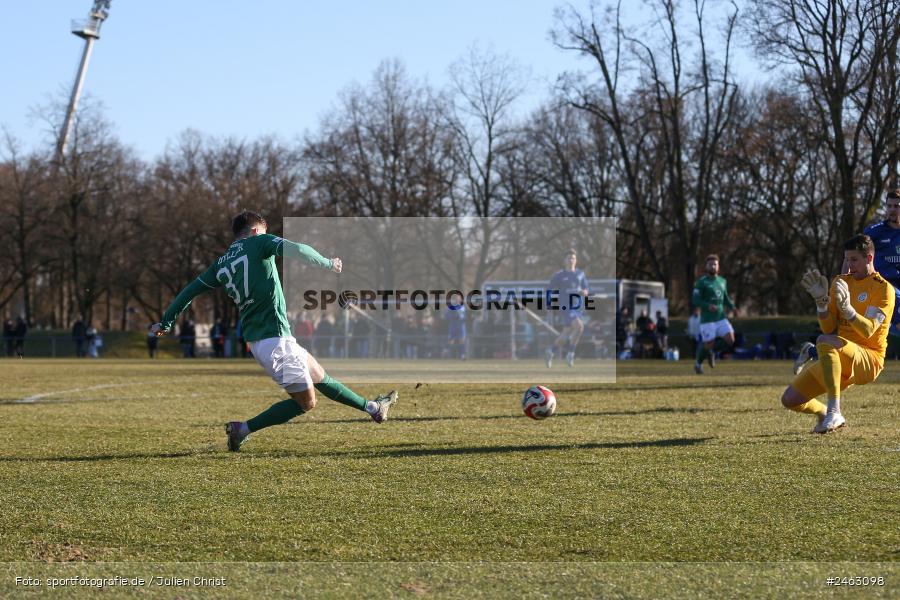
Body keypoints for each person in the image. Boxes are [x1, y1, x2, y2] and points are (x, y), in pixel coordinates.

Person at [151, 210, 397, 452]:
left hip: (266, 340)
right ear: (256, 231)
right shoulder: (259, 242)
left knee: (318, 374)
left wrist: (165, 322)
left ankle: (374, 409)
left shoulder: (221, 264)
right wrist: (328, 263)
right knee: (306, 403)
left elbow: (189, 291)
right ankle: (242, 429)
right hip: (275, 341)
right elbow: (298, 249)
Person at [784, 234, 894, 433]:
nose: (849, 265)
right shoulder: (841, 282)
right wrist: (821, 304)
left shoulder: (883, 289)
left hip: (869, 358)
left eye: (854, 260)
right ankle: (825, 413)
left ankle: (835, 411)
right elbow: (828, 327)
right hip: (837, 352)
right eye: (846, 259)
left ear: (869, 258)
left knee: (824, 341)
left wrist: (849, 311)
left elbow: (869, 330)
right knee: (790, 399)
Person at [794, 188, 900, 373]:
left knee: (858, 338)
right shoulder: (875, 232)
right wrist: (843, 282)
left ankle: (812, 350)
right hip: (879, 288)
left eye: (897, 206)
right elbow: (851, 256)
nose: (892, 209)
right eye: (889, 205)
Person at [691, 254, 739, 374]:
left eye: (715, 264)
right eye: (710, 264)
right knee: (708, 345)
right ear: (706, 266)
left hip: (721, 318)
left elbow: (725, 298)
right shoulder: (701, 282)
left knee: (731, 339)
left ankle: (712, 352)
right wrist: (708, 305)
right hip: (707, 320)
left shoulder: (722, 281)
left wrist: (733, 307)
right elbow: (695, 300)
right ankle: (698, 363)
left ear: (718, 267)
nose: (713, 266)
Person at [545, 250, 590, 368]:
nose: (571, 260)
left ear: (576, 260)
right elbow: (549, 289)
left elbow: (586, 289)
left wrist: (584, 292)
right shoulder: (559, 275)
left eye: (573, 258)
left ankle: (550, 351)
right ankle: (571, 353)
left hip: (577, 307)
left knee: (566, 334)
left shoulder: (580, 274)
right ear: (564, 261)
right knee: (579, 327)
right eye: (569, 258)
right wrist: (549, 304)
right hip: (566, 307)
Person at [446, 291, 467, 360]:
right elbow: (447, 315)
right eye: (456, 298)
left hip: (461, 326)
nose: (458, 299)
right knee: (451, 341)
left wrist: (463, 318)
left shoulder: (463, 307)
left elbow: (465, 316)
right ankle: (449, 354)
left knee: (462, 341)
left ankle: (462, 355)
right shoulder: (451, 307)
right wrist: (453, 316)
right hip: (453, 326)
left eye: (459, 298)